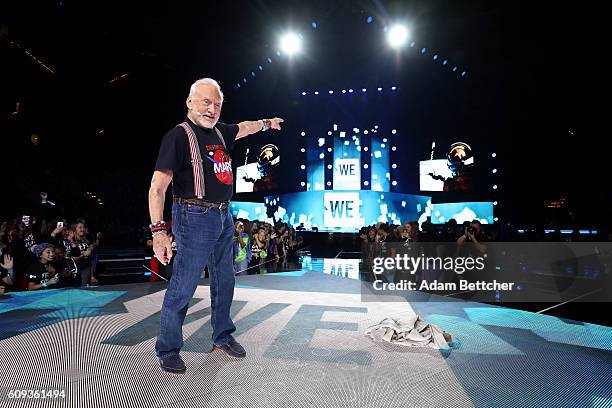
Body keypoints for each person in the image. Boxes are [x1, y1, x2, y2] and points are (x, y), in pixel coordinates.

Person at [148, 77, 283, 374]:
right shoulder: (178, 136)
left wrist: (267, 123)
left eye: (217, 104)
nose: (212, 109)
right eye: (206, 102)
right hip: (193, 215)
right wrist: (159, 232)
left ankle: (222, 336)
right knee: (183, 285)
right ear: (190, 102)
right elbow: (157, 188)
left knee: (225, 280)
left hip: (223, 215)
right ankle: (168, 348)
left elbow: (244, 127)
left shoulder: (221, 132)